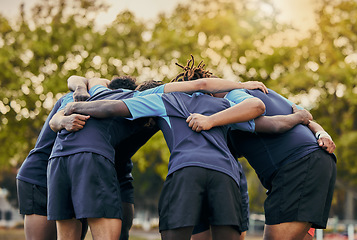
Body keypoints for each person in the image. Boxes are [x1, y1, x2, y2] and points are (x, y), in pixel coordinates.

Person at [48, 76, 268, 240]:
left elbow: (101, 94)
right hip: (225, 173)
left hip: (58, 160)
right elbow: (207, 87)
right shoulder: (219, 104)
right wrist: (242, 86)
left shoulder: (111, 91)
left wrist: (70, 108)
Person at [186, 81, 336, 240]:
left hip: (297, 166)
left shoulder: (233, 98)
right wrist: (322, 134)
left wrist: (209, 120)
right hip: (317, 162)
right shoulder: (266, 94)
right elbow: (306, 117)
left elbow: (266, 113)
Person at [16, 75, 141, 240]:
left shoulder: (125, 108)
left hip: (84, 171)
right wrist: (79, 90)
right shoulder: (80, 99)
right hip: (41, 175)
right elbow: (77, 79)